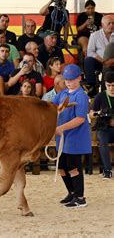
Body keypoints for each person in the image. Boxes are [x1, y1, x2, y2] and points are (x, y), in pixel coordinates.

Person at [53, 64, 91, 208]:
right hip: (62, 136)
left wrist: (61, 128)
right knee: (62, 165)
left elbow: (80, 118)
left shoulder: (81, 95)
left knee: (73, 166)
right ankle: (72, 192)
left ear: (79, 78)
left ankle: (80, 197)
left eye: (71, 79)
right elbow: (52, 106)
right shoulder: (63, 94)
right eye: (66, 79)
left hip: (75, 136)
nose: (68, 82)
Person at [89, 71, 114, 179]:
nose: (111, 88)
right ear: (105, 84)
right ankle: (107, 170)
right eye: (109, 85)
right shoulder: (100, 96)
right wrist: (98, 113)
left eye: (113, 85)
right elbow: (91, 114)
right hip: (104, 128)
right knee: (102, 141)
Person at [84, 15, 114, 96]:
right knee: (88, 60)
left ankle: (106, 92)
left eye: (113, 23)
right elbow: (90, 52)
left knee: (108, 67)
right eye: (109, 23)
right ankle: (92, 85)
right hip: (99, 61)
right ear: (102, 25)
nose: (112, 25)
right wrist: (103, 61)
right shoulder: (95, 35)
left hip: (112, 62)